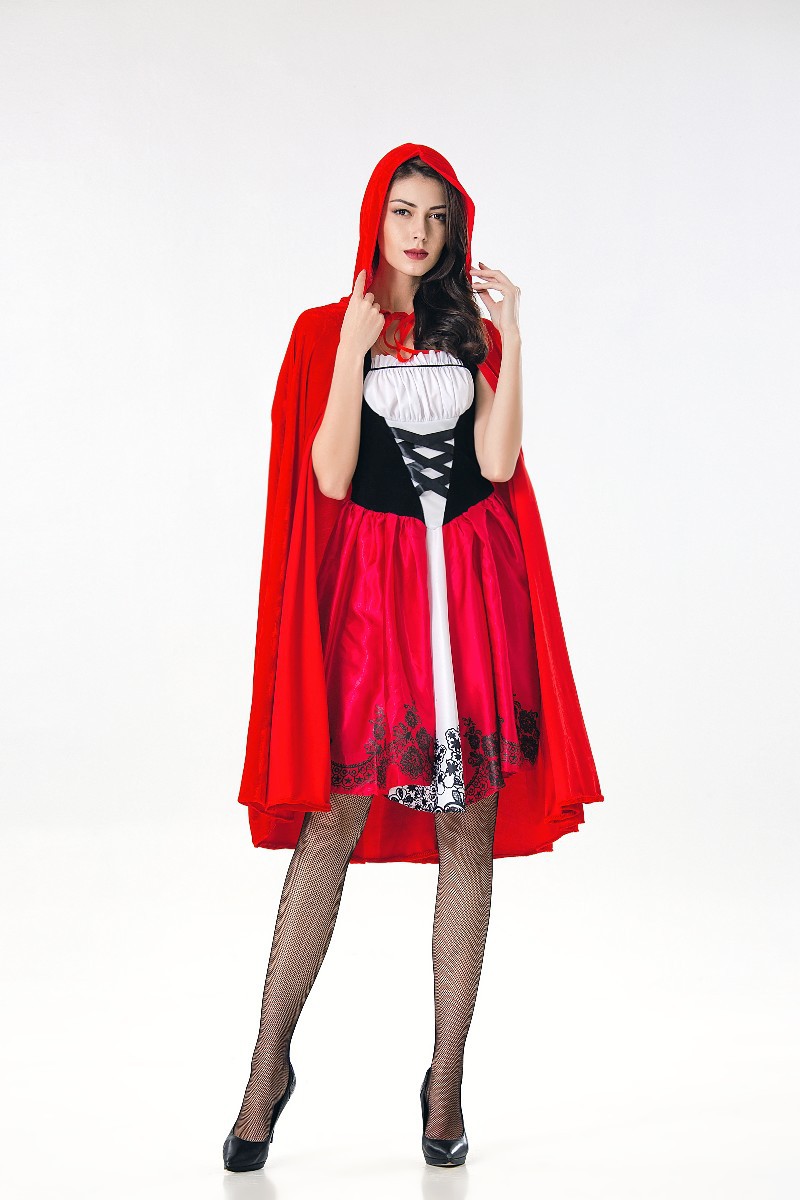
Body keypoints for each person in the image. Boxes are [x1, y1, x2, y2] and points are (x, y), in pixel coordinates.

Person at [223, 143, 604, 1172]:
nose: (420, 232)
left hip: (469, 595)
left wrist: (513, 337)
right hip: (373, 604)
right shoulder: (325, 330)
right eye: (403, 211)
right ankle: (265, 1070)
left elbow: (496, 462)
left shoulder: (470, 331)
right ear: (375, 217)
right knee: (331, 824)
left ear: (454, 230)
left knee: (466, 832)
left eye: (437, 216)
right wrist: (353, 353)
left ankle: (445, 1084)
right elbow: (330, 477)